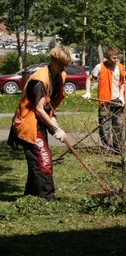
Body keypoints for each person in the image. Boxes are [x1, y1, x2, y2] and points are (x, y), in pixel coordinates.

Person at [7, 45, 72, 200]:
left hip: (40, 120)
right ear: (53, 60)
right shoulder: (39, 79)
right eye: (61, 64)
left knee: (37, 159)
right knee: (43, 159)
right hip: (28, 123)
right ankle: (45, 198)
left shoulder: (59, 75)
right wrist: (55, 128)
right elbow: (38, 109)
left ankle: (31, 195)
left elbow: (49, 103)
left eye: (66, 64)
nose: (63, 67)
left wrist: (52, 117)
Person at [83, 47, 126, 152]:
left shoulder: (120, 67)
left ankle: (118, 148)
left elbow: (124, 82)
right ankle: (108, 148)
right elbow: (89, 79)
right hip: (104, 103)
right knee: (104, 127)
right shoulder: (100, 67)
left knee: (118, 126)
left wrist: (122, 96)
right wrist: (88, 92)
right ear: (108, 57)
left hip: (117, 102)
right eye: (113, 58)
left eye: (117, 58)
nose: (116, 60)